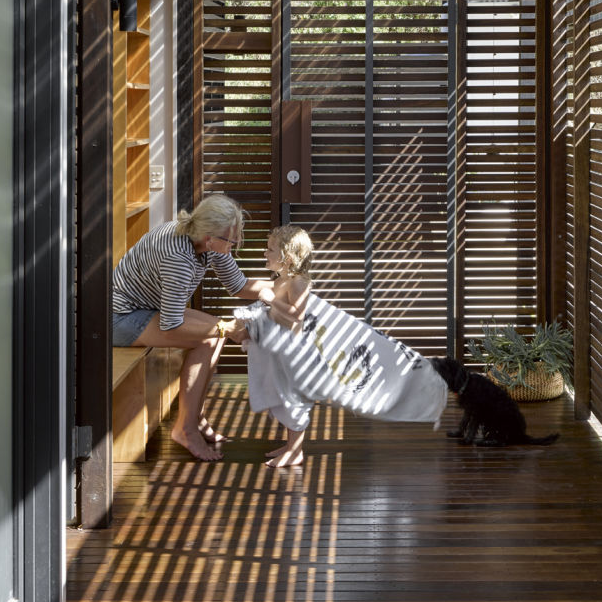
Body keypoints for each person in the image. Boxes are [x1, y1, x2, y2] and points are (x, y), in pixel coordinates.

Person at [230, 225, 447, 467]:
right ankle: (290, 445)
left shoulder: (298, 282)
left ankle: (295, 451)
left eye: (270, 249)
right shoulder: (281, 280)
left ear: (287, 258)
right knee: (285, 394)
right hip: (285, 350)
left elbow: (297, 317)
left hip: (299, 351)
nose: (264, 253)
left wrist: (271, 301)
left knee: (294, 397)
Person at [111, 192, 281, 462]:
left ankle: (195, 418)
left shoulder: (207, 241)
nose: (236, 243)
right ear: (209, 237)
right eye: (232, 239)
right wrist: (226, 328)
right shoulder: (177, 258)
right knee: (210, 336)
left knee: (215, 333)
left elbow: (238, 285)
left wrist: (288, 287)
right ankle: (186, 429)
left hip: (150, 308)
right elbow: (171, 326)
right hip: (121, 317)